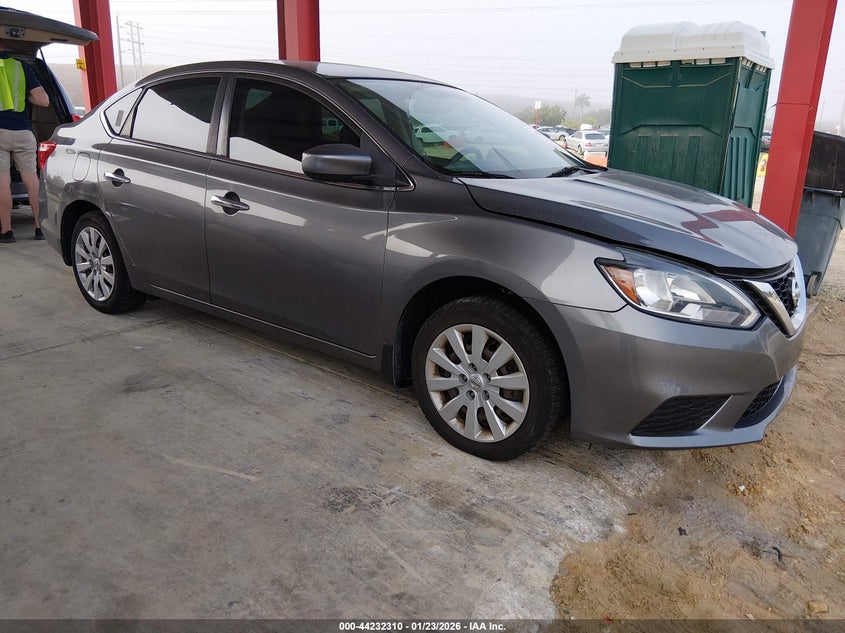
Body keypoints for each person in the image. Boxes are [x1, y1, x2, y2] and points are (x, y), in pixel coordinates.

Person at [0, 39, 50, 243]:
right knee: (31, 179)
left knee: (3, 181)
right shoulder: (22, 67)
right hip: (24, 132)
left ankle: (7, 232)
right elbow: (44, 101)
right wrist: (26, 99)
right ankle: (40, 228)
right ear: (5, 46)